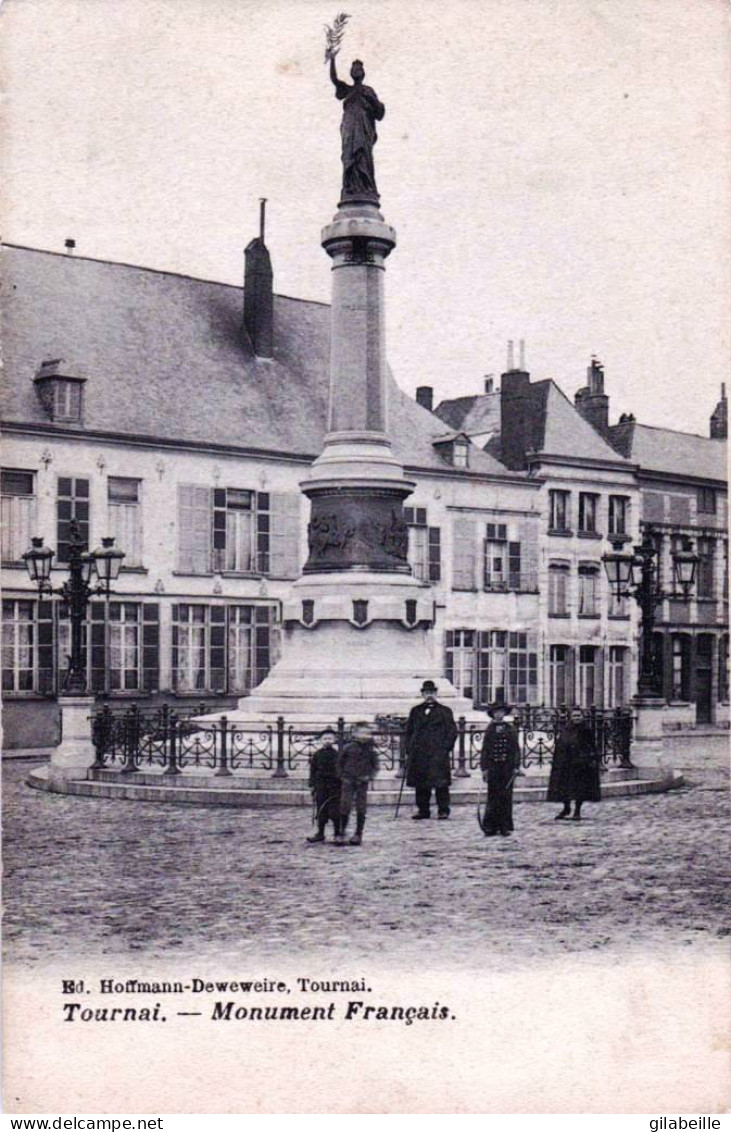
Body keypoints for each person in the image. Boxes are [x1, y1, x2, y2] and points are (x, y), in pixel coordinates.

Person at [329, 56, 385, 199]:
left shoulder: (368, 90)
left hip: (364, 128)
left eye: (359, 69)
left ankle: (366, 188)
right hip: (349, 128)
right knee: (348, 158)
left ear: (363, 72)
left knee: (363, 158)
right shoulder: (347, 90)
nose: (356, 71)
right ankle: (349, 188)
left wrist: (371, 99)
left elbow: (380, 113)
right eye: (353, 69)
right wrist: (333, 59)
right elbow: (334, 79)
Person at [404, 681, 458, 820]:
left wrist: (445, 748)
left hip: (438, 754)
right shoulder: (415, 711)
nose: (429, 696)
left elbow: (452, 731)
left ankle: (443, 810)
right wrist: (409, 748)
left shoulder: (445, 711)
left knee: (441, 784)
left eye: (432, 693)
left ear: (436, 694)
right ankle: (423, 810)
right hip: (420, 754)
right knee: (421, 784)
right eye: (427, 693)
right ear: (422, 694)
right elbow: (409, 731)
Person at [548, 707, 602, 821]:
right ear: (571, 717)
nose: (577, 718)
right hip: (566, 763)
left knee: (580, 788)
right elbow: (560, 744)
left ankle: (577, 810)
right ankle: (566, 808)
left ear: (582, 717)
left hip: (581, 763)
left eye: (579, 716)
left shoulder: (586, 730)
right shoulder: (566, 729)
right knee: (564, 787)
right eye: (574, 716)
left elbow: (592, 746)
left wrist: (592, 759)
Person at [480, 703, 521, 837]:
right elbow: (485, 750)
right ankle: (490, 826)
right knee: (493, 796)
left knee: (506, 797)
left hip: (507, 768)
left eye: (501, 712)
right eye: (496, 712)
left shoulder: (510, 728)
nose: (499, 714)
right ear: (493, 714)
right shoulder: (490, 729)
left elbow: (515, 749)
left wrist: (516, 766)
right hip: (493, 767)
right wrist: (485, 768)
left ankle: (505, 826)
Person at [336, 721, 379, 846]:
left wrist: (369, 776)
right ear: (354, 734)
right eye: (361, 733)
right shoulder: (348, 748)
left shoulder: (371, 750)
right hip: (348, 781)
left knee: (361, 807)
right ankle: (342, 831)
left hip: (362, 782)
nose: (364, 736)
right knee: (345, 805)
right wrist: (342, 776)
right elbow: (339, 763)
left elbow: (375, 766)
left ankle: (358, 833)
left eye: (367, 733)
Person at [306, 728, 342, 844]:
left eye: (330, 738)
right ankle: (320, 833)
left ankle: (337, 834)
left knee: (335, 810)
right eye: (325, 739)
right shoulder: (317, 755)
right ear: (321, 740)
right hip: (321, 785)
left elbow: (342, 771)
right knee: (321, 809)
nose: (327, 741)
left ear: (334, 740)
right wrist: (312, 785)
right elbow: (313, 771)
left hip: (334, 786)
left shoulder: (338, 755)